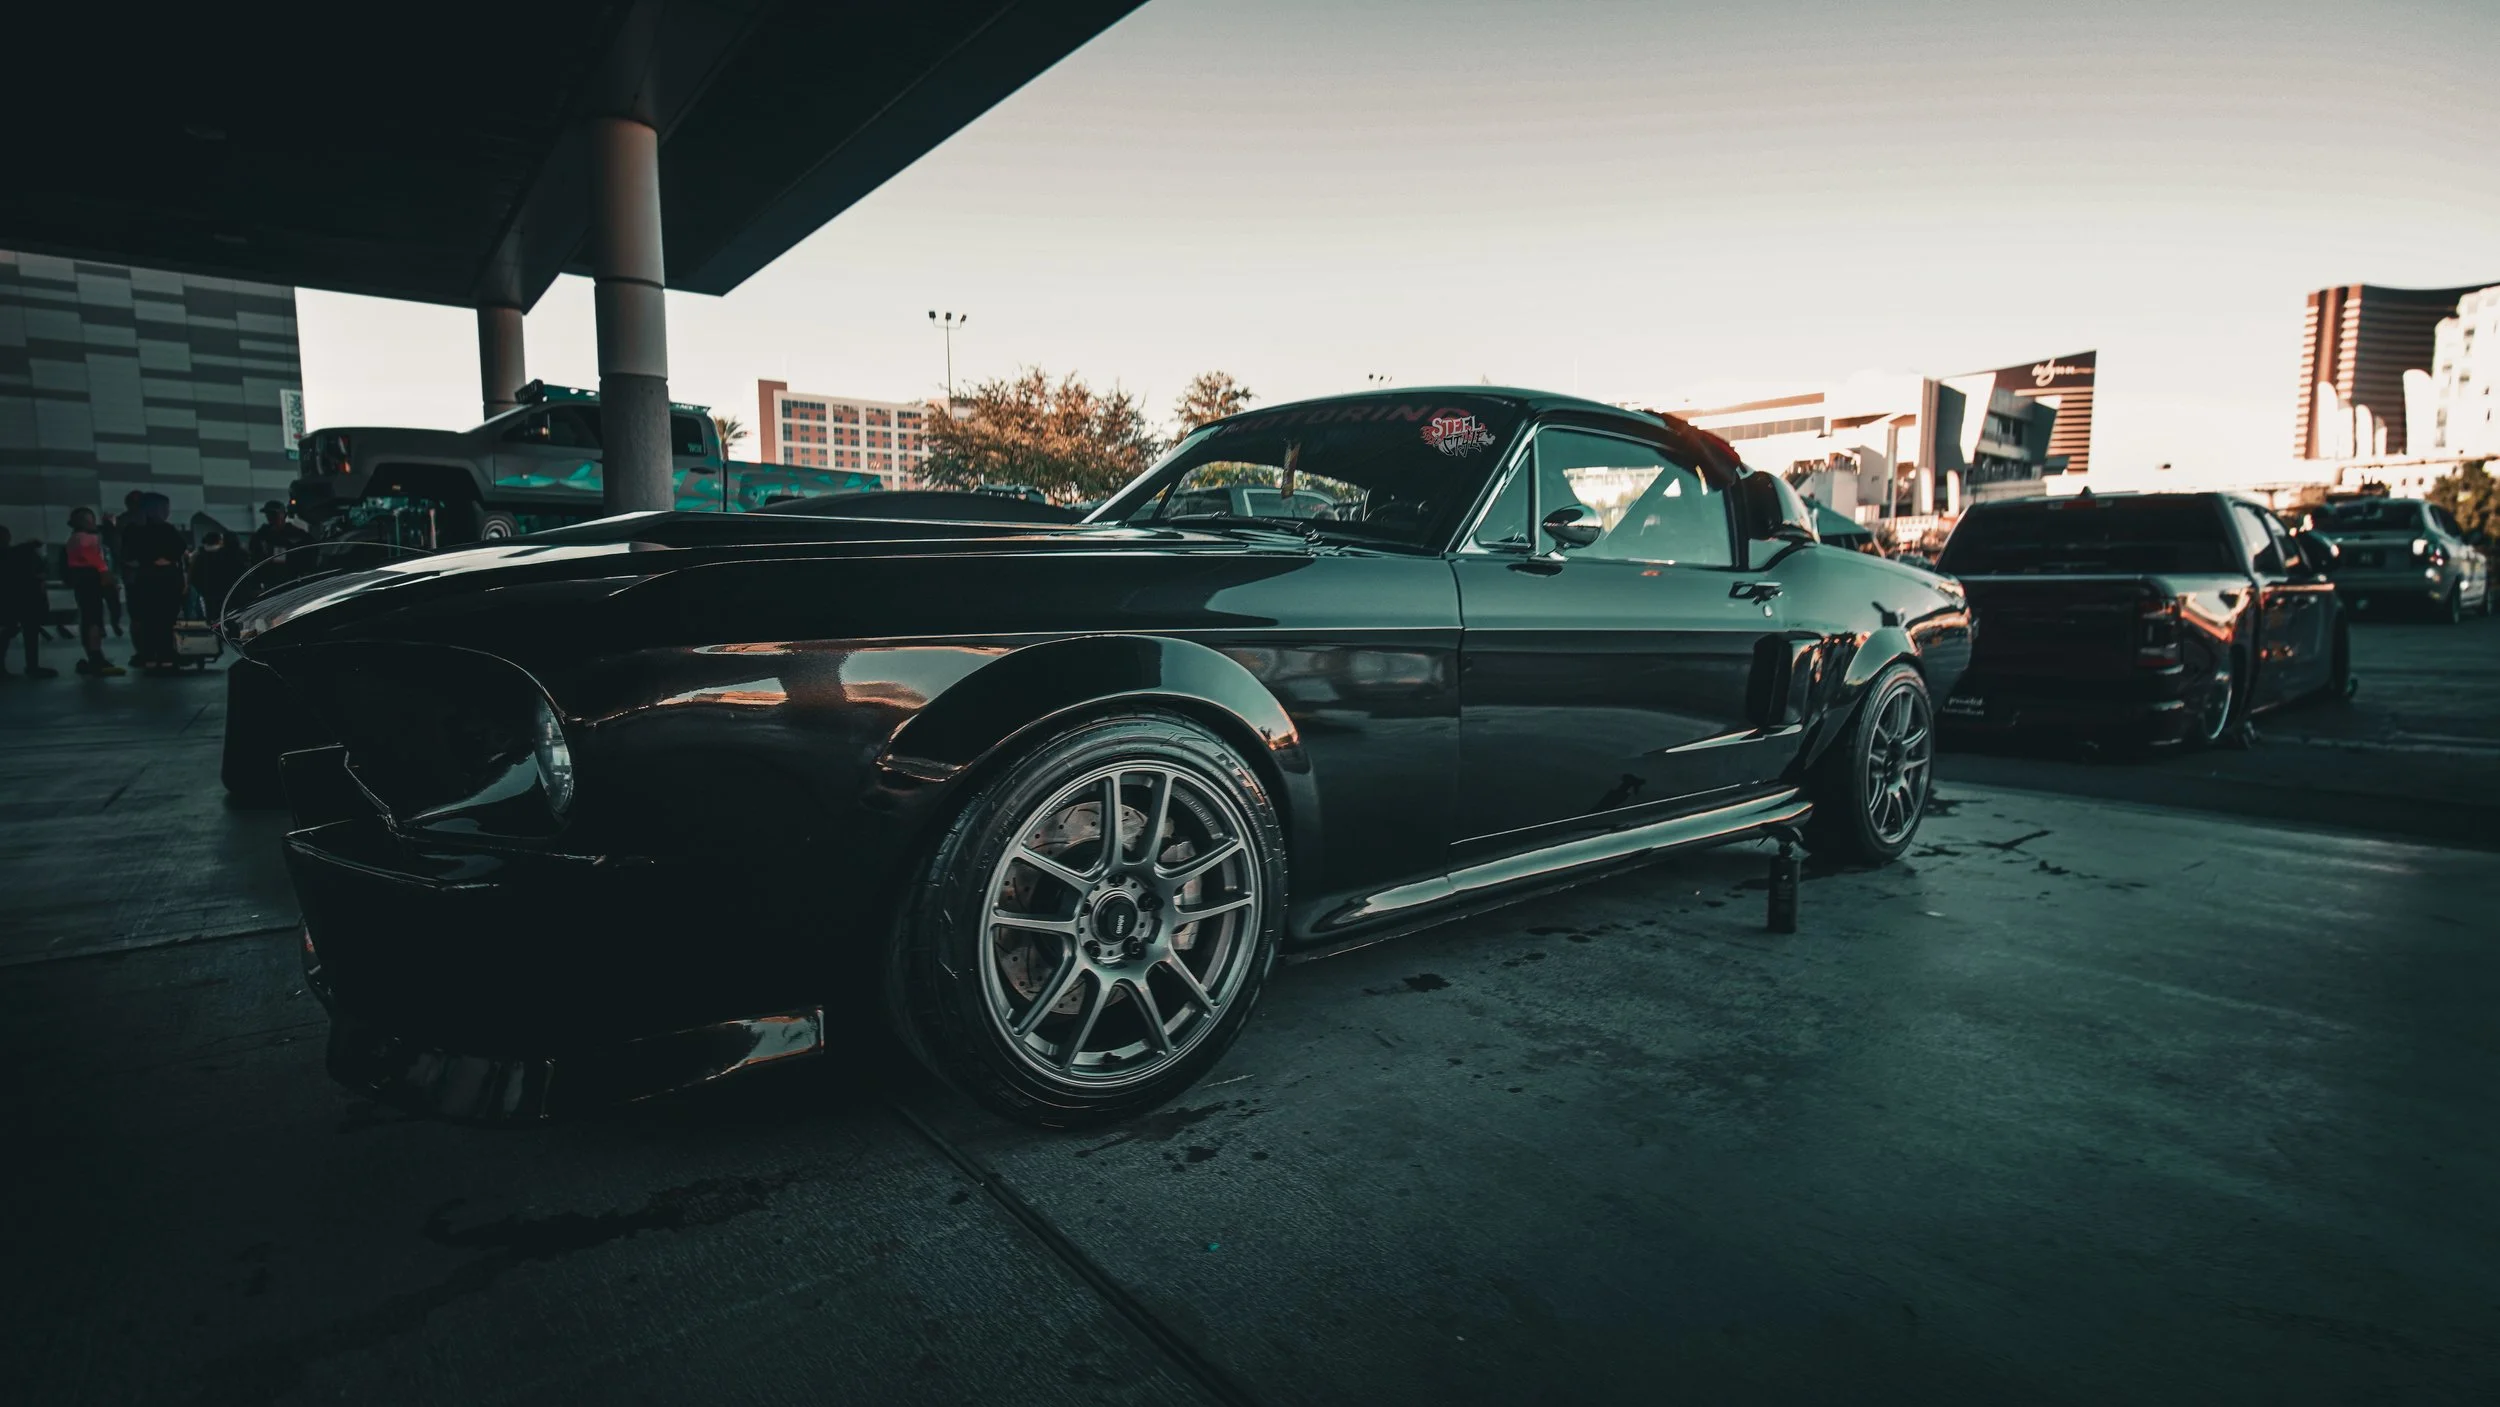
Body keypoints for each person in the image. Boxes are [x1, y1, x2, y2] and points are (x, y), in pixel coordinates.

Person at [119, 498, 190, 673]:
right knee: (166, 620)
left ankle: (149, 656)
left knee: (147, 620)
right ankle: (166, 656)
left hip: (144, 577)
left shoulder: (133, 530)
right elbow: (180, 549)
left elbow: (127, 555)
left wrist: (147, 560)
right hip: (166, 578)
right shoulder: (166, 529)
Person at [62, 508, 125, 676]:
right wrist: (105, 573)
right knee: (93, 618)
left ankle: (95, 654)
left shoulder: (74, 539)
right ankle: (95, 655)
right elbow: (94, 558)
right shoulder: (84, 538)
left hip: (84, 580)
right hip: (90, 579)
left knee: (91, 617)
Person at [0, 525, 58, 679]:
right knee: (29, 633)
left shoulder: (12, 554)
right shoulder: (24, 554)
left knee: (6, 632)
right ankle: (32, 665)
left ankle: (2, 667)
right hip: (27, 599)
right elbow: (39, 574)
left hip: (8, 600)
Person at [190, 530, 250, 623]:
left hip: (212, 593)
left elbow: (195, 576)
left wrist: (203, 590)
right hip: (234, 593)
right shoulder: (241, 554)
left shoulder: (202, 555)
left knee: (216, 618)